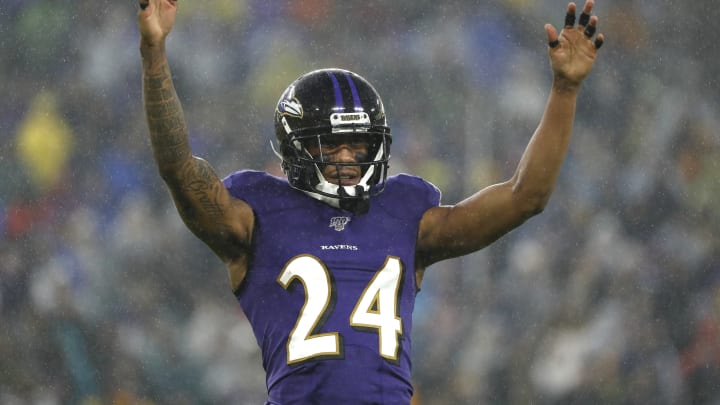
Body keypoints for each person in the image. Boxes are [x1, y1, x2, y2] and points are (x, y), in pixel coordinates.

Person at [137, 0, 604, 403]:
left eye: (359, 146)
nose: (348, 158)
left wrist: (565, 91)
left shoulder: (405, 213)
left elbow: (527, 196)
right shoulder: (257, 214)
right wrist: (154, 52)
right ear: (296, 148)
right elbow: (179, 170)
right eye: (331, 145)